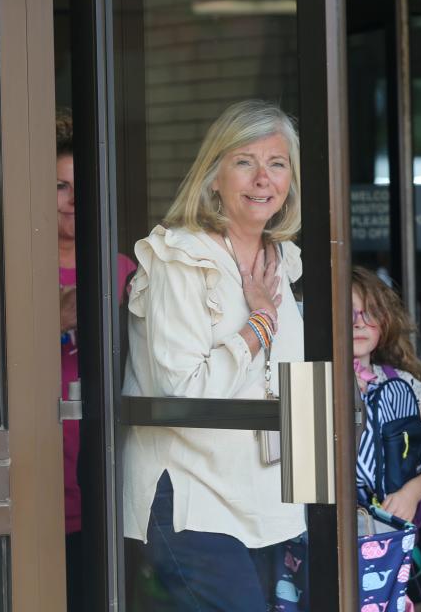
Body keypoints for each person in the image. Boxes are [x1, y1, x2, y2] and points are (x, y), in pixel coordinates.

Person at [122, 100, 305, 610]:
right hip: (192, 500)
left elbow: (288, 379)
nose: (262, 178)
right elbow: (182, 391)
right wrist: (259, 325)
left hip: (268, 499)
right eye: (245, 161)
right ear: (213, 176)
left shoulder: (281, 260)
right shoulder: (179, 258)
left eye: (278, 163)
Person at [55, 111, 137, 611]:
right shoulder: (15, 262)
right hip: (43, 463)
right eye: (59, 186)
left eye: (80, 185)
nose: (72, 199)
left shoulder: (123, 266)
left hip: (105, 466)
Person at [352, 265, 421, 524]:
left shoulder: (403, 383)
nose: (359, 323)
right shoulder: (318, 383)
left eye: (370, 313)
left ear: (384, 321)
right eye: (348, 313)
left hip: (393, 526)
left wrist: (412, 493)